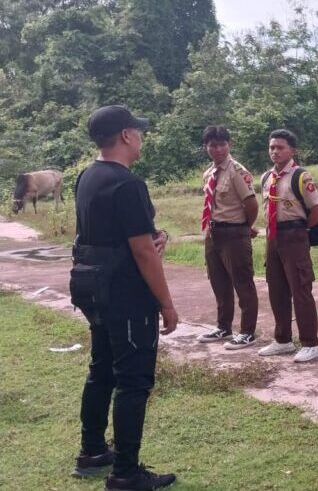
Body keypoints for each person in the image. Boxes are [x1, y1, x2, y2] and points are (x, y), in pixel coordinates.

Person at [71, 104, 178, 489]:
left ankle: (93, 450)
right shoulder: (127, 183)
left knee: (101, 368)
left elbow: (104, 233)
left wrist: (152, 237)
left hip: (93, 289)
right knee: (133, 380)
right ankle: (126, 472)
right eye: (139, 131)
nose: (142, 137)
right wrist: (166, 302)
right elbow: (142, 251)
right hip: (126, 295)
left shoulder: (88, 176)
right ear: (127, 135)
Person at [257, 129, 318, 363]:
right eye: (272, 147)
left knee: (301, 289)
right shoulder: (266, 178)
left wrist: (302, 231)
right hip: (272, 237)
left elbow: (316, 211)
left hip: (294, 235)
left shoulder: (301, 176)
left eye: (280, 147)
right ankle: (282, 339)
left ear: (292, 150)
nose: (275, 151)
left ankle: (310, 343)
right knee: (276, 289)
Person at [196, 125, 261, 350]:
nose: (218, 149)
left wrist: (245, 227)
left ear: (229, 145)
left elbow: (251, 205)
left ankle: (247, 332)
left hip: (234, 234)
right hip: (214, 233)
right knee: (218, 282)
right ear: (206, 147)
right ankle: (223, 326)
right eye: (213, 145)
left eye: (222, 144)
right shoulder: (209, 173)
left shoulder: (237, 171)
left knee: (243, 283)